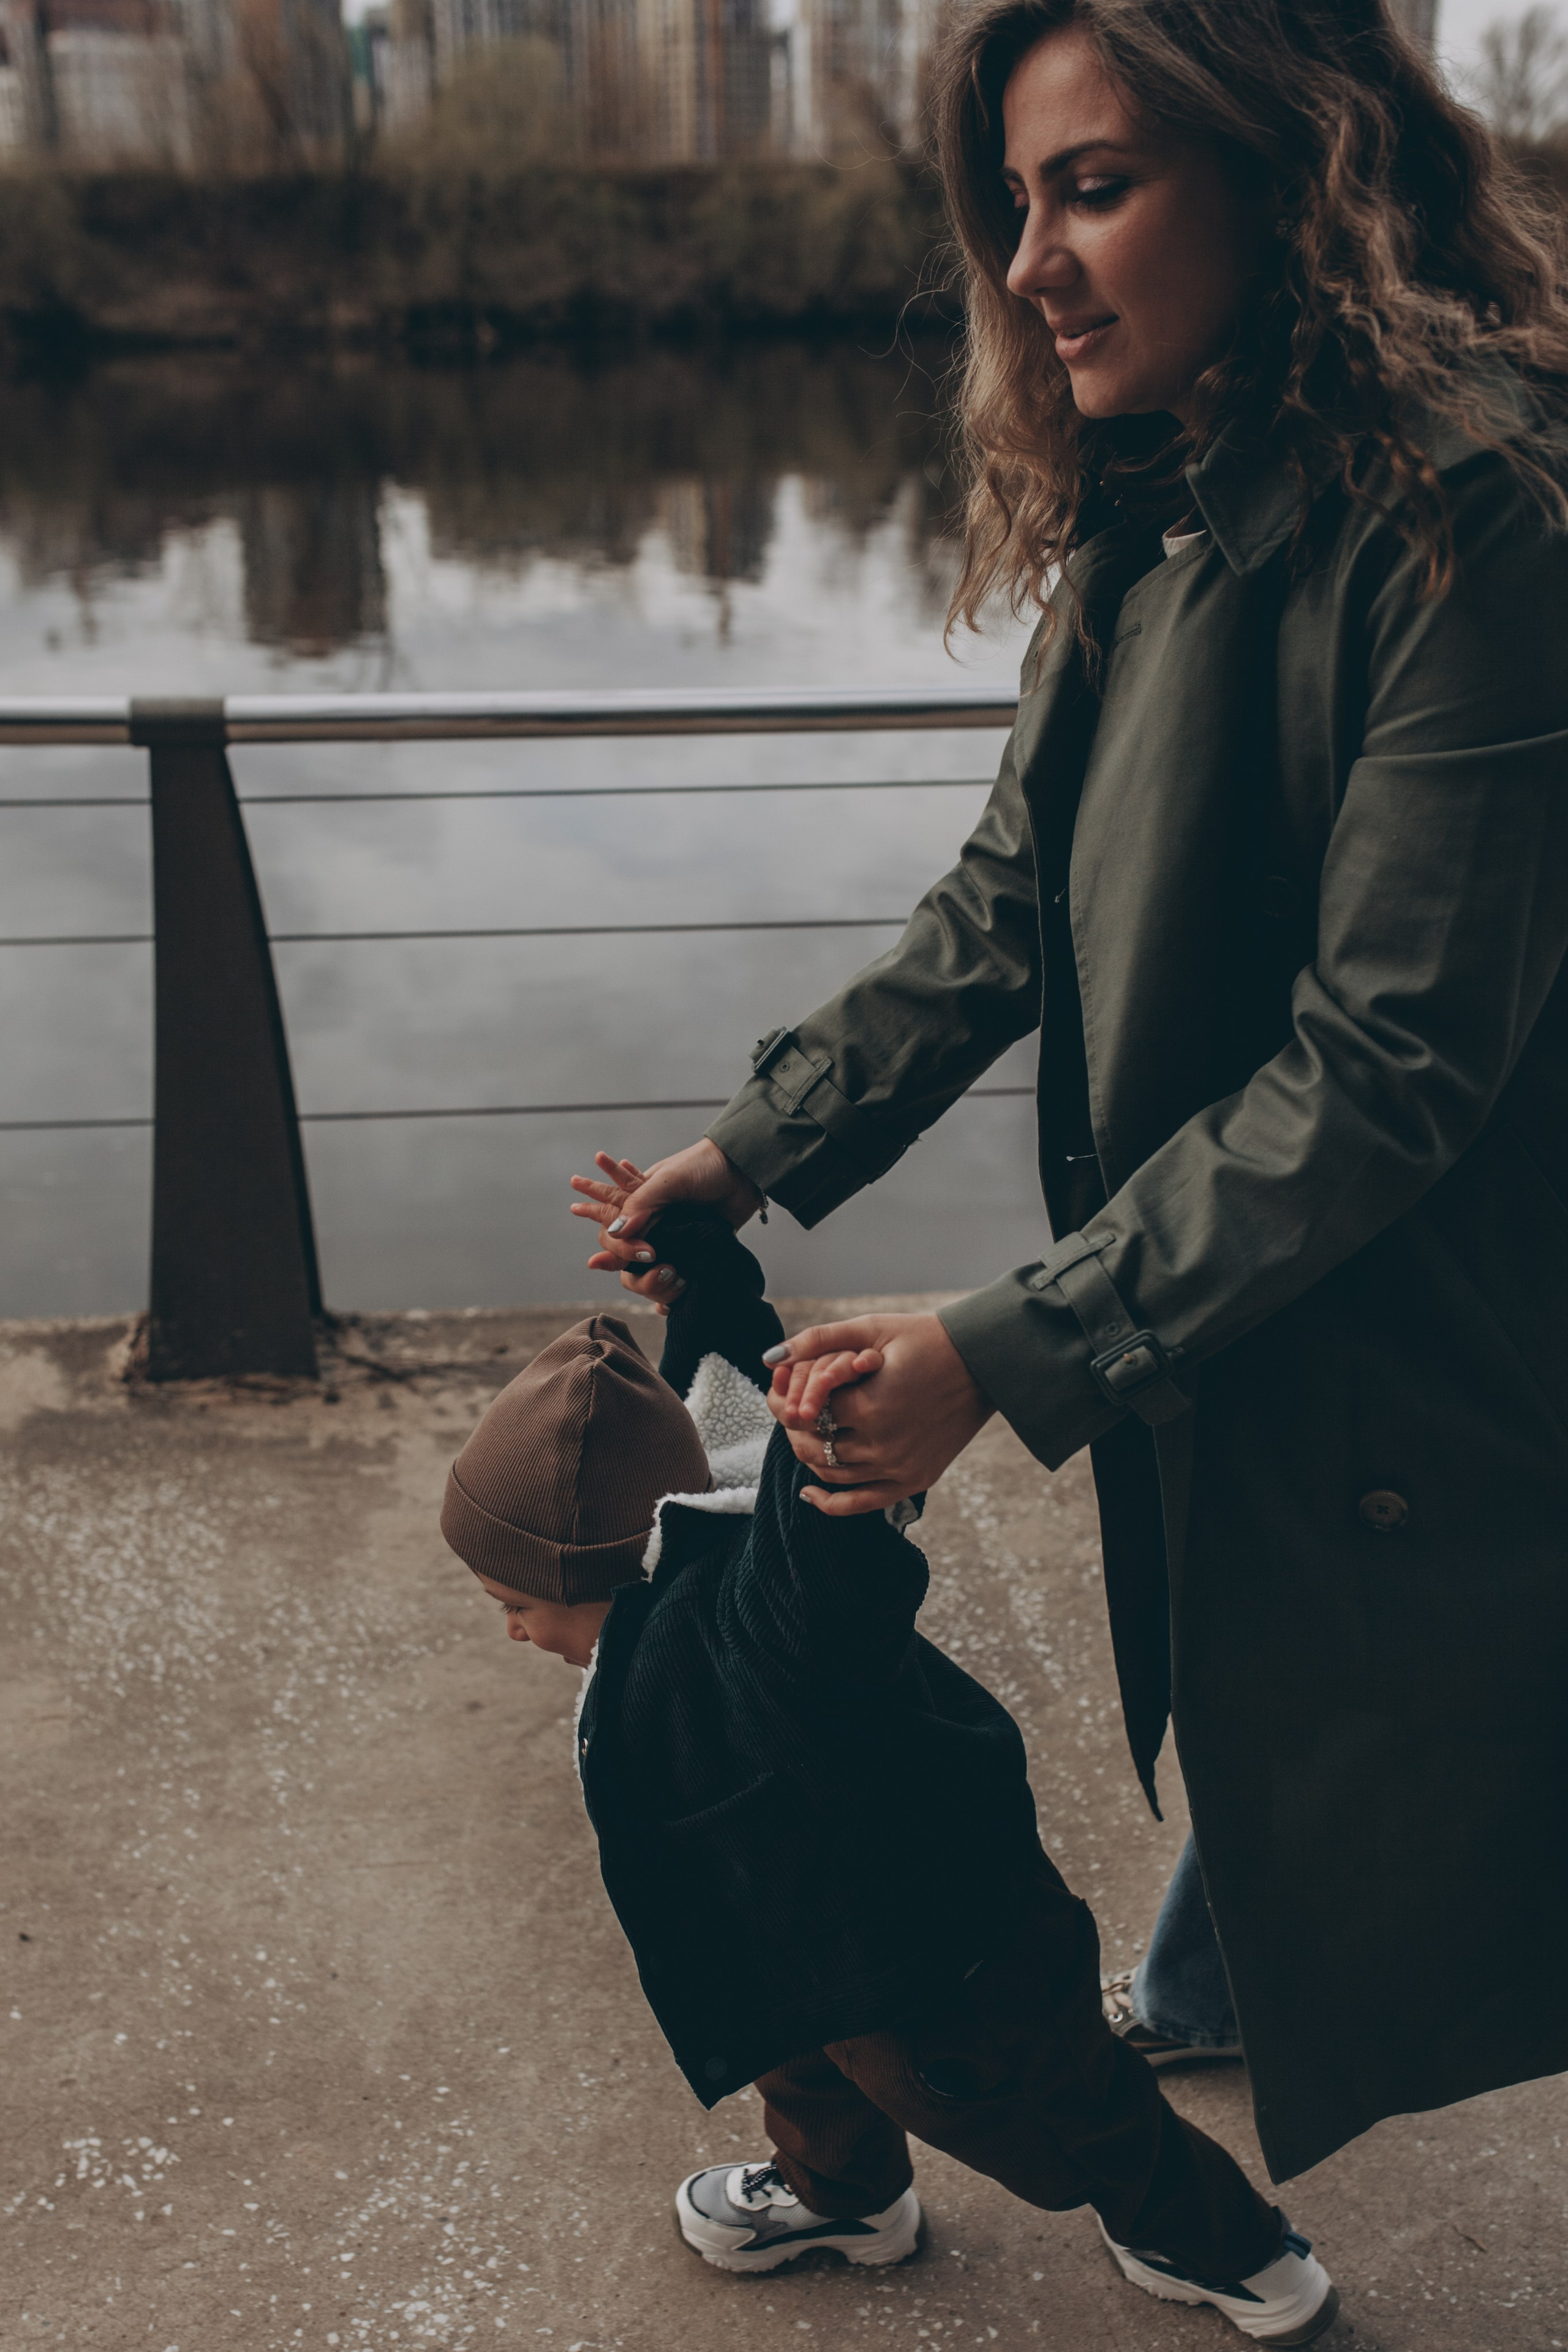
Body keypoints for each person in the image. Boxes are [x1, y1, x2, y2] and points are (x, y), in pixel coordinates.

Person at [573, 0, 1568, 2184]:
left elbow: (1389, 1063)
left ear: (1296, 175)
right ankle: (1210, 1981)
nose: (1027, 264)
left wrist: (1007, 1350)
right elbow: (1011, 901)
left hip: (1422, 1317)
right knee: (1277, 1682)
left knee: (1452, 1764)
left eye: (1093, 188)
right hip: (1240, 1297)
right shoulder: (1155, 498)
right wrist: (760, 1142)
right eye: (1015, 202)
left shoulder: (1480, 510)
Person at [442, 1196, 1338, 2340]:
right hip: (784, 1939)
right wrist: (697, 1271)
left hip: (940, 1963)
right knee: (802, 2069)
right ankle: (846, 2199)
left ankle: (1235, 2253)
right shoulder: (692, 1493)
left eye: (516, 1603)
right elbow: (725, 1375)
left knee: (1068, 2113)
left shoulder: (768, 1621)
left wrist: (829, 1451)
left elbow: (828, 1555)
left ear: (610, 1569)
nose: (513, 1631)